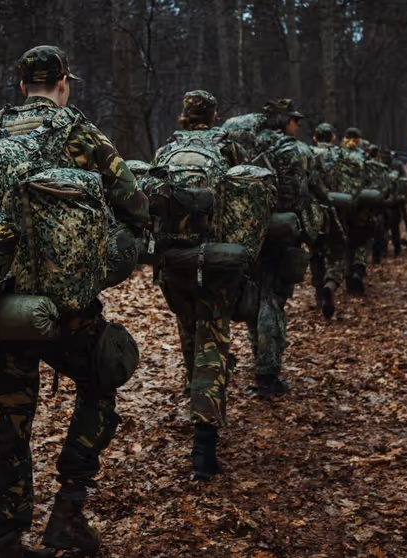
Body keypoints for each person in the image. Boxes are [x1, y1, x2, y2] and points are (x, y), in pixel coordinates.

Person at [0, 45, 149, 557]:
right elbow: (133, 201)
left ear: (21, 85)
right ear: (64, 83)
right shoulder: (79, 132)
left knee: (12, 418)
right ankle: (69, 510)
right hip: (64, 306)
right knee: (103, 376)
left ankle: (4, 539)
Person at [151, 90, 247, 480]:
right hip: (215, 261)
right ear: (214, 115)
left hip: (174, 262)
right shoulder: (228, 149)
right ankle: (204, 444)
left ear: (184, 115)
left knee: (189, 330)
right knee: (213, 338)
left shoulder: (165, 151)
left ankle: (196, 401)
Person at [237, 99, 320, 396]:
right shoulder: (287, 149)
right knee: (272, 301)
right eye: (294, 120)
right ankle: (267, 374)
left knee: (256, 296)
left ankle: (259, 358)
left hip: (244, 232)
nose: (297, 125)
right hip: (279, 234)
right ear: (283, 121)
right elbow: (299, 193)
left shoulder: (243, 142)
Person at [310, 122, 346, 318]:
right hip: (336, 211)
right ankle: (331, 283)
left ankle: (318, 294)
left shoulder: (307, 153)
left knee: (315, 252)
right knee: (337, 252)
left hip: (314, 213)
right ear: (333, 138)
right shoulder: (341, 155)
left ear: (315, 138)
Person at [340, 127, 369, 295]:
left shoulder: (337, 155)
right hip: (359, 205)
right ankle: (358, 271)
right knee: (361, 240)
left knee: (345, 241)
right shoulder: (363, 156)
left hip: (340, 204)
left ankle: (347, 274)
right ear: (359, 140)